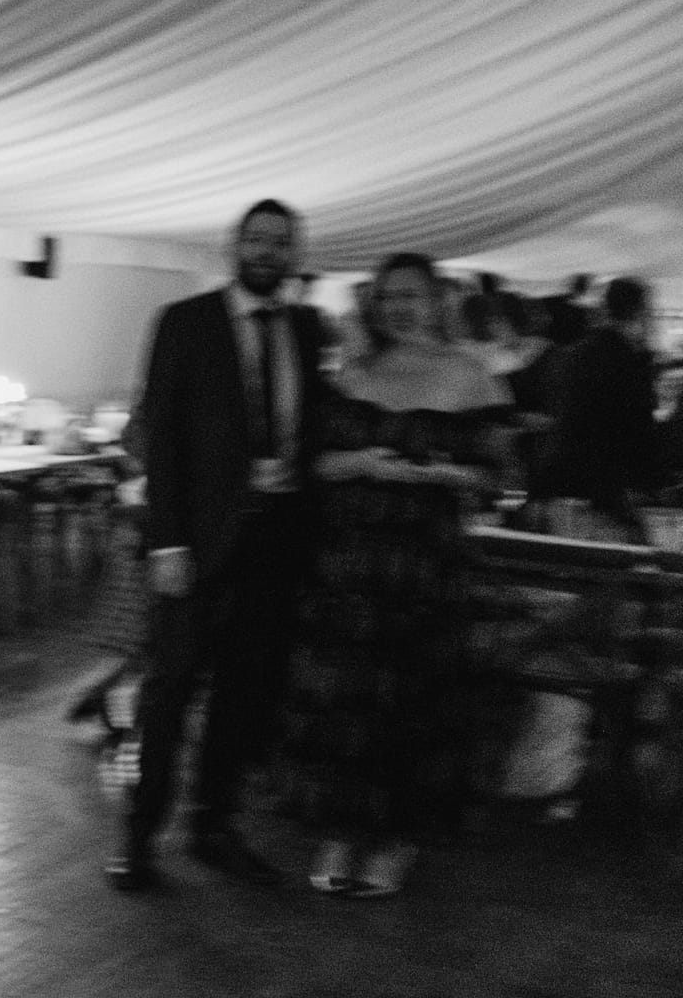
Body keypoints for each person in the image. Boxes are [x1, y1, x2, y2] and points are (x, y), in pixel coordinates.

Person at [106, 198, 328, 892]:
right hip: (197, 544)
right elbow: (162, 437)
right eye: (257, 240)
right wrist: (167, 542)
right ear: (236, 247)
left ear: (292, 255)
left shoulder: (307, 329)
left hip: (277, 539)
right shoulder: (186, 322)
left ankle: (215, 827)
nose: (267, 252)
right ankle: (139, 837)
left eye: (280, 243)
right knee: (170, 691)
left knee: (243, 692)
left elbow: (316, 431)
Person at [277, 252, 510, 898]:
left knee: (412, 700)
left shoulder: (471, 377)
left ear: (437, 299)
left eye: (409, 295)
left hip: (425, 565)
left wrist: (433, 475)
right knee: (344, 698)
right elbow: (315, 467)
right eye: (386, 297)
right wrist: (360, 464)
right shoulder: (353, 372)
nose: (397, 307)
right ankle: (341, 831)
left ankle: (401, 837)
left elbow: (494, 480)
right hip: (348, 563)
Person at [535, 276, 662, 540]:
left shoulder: (573, 355)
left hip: (562, 477)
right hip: (609, 486)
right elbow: (640, 429)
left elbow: (562, 419)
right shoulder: (632, 362)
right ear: (640, 312)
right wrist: (652, 481)